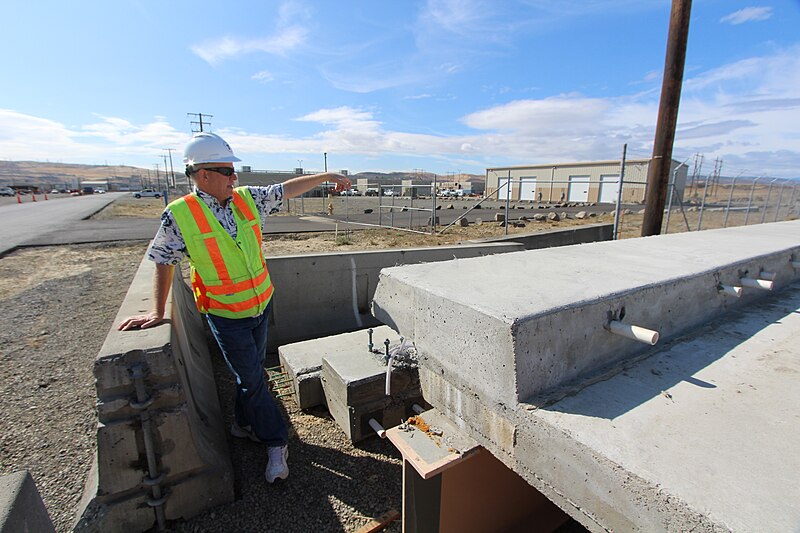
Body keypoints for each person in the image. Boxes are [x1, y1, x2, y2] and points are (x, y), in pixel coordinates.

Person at [118, 132, 350, 483]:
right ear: (202, 174)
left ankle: (242, 424)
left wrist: (327, 176)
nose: (234, 177)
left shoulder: (246, 200)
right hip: (226, 316)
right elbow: (163, 260)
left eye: (233, 171)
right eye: (226, 171)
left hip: (260, 305)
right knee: (253, 379)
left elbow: (286, 189)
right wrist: (157, 312)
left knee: (252, 371)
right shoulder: (180, 215)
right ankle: (275, 441)